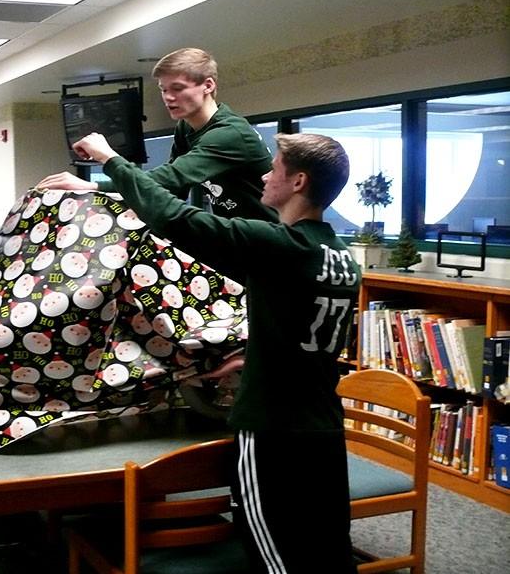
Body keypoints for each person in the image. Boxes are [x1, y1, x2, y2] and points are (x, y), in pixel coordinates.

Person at [64, 132, 360, 573]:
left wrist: (110, 160)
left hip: (272, 430)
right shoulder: (341, 257)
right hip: (323, 427)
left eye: (274, 167)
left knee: (273, 553)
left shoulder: (278, 245)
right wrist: (253, 356)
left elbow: (174, 216)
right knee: (328, 546)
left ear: (298, 181)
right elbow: (305, 333)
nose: (264, 173)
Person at [37, 47, 276, 222]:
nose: (168, 97)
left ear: (208, 86)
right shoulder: (187, 127)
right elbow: (171, 189)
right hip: (238, 237)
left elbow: (169, 179)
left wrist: (98, 174)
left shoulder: (229, 134)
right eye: (164, 90)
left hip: (268, 244)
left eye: (178, 89)